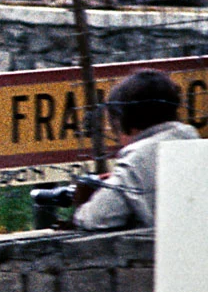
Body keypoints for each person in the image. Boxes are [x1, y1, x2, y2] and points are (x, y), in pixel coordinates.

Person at [73, 71, 202, 230]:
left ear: (127, 123)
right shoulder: (192, 140)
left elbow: (97, 217)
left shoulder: (138, 159)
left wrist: (83, 204)